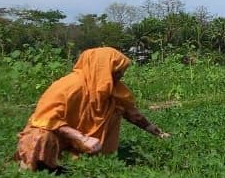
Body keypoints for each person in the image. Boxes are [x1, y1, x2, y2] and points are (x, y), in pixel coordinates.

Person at [16, 47, 169, 171]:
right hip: (59, 137)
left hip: (88, 143)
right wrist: (82, 138)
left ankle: (78, 164)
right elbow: (47, 119)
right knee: (40, 136)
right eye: (117, 71)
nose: (121, 75)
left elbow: (130, 112)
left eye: (121, 71)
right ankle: (34, 169)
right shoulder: (69, 86)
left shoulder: (111, 89)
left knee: (115, 108)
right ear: (101, 69)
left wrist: (153, 130)